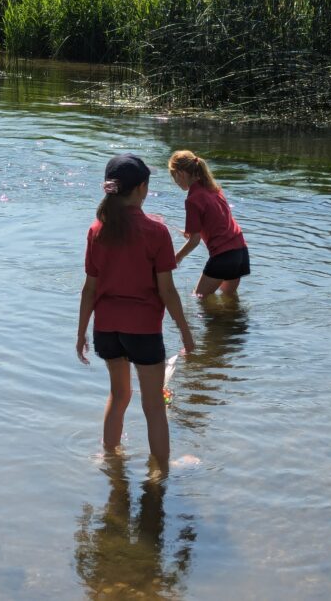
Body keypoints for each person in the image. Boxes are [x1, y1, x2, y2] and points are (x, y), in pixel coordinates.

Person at [77, 154, 196, 469]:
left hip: (106, 331)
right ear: (142, 188)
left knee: (119, 396)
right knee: (154, 406)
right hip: (142, 330)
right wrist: (185, 331)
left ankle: (111, 460)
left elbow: (89, 288)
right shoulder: (155, 232)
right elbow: (167, 291)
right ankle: (161, 472)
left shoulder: (97, 229)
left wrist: (80, 334)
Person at [167, 150, 250, 297]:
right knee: (229, 301)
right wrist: (192, 233)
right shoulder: (214, 189)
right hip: (241, 252)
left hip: (224, 256)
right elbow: (218, 222)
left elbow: (195, 241)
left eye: (174, 177)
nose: (176, 182)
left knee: (198, 298)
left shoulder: (192, 199)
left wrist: (176, 258)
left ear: (181, 174)